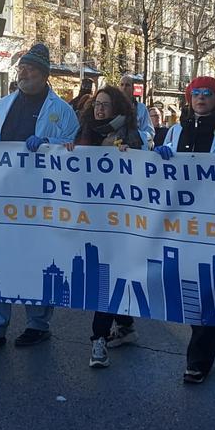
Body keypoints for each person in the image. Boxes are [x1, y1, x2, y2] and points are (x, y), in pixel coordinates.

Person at [0, 43, 79, 351]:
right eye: (21, 69)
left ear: (44, 76)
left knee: (38, 260)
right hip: (1, 196)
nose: (24, 73)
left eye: (30, 70)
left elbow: (72, 149)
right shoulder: (2, 105)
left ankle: (37, 323)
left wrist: (49, 143)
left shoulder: (62, 111)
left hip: (38, 200)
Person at [154, 75, 215, 383]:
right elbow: (162, 171)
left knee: (207, 284)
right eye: (196, 93)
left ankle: (198, 358)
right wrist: (160, 155)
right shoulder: (176, 130)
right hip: (182, 220)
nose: (201, 98)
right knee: (188, 284)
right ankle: (212, 333)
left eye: (207, 93)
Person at [65, 85, 147, 368]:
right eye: (97, 104)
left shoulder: (128, 135)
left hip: (117, 220)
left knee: (105, 277)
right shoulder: (84, 130)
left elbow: (141, 174)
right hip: (89, 215)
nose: (100, 109)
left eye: (106, 105)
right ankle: (125, 325)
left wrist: (129, 156)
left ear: (118, 109)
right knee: (104, 274)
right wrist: (68, 152)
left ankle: (98, 340)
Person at [120, 73, 155, 148]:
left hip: (136, 152)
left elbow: (150, 133)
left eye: (127, 85)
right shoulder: (112, 107)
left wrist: (135, 135)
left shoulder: (141, 108)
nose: (124, 88)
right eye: (122, 85)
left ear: (133, 89)